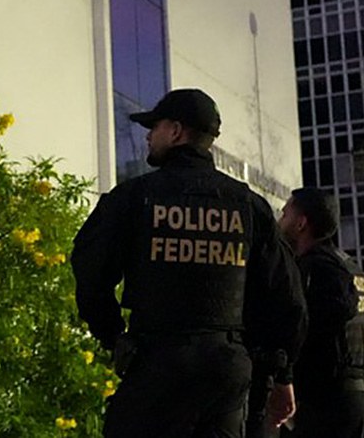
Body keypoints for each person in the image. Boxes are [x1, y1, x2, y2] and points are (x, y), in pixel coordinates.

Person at [71, 88, 307, 438]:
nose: (148, 136)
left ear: (176, 131)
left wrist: (113, 337)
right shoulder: (248, 206)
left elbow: (90, 271)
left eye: (155, 127)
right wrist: (279, 372)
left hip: (157, 362)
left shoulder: (134, 197)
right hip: (225, 371)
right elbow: (288, 300)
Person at [277, 187, 364, 438]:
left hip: (329, 407)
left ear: (301, 223)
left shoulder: (312, 269)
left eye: (285, 214)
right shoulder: (353, 269)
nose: (280, 221)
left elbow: (301, 325)